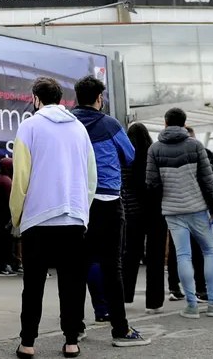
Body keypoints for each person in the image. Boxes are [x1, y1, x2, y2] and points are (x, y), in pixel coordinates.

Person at [11, 77, 95, 358]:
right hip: (73, 217)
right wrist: (83, 209)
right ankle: (71, 341)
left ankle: (28, 343)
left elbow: (20, 177)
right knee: (71, 284)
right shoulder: (79, 129)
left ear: (35, 98)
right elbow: (90, 176)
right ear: (60, 99)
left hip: (38, 219)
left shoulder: (29, 126)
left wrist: (16, 217)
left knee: (33, 285)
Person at [71, 75, 150, 345]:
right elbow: (130, 155)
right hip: (107, 201)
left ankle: (75, 328)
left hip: (77, 204)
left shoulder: (69, 123)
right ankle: (120, 329)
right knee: (111, 266)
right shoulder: (110, 124)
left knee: (76, 267)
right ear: (99, 98)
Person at [147, 108, 213, 320]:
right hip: (198, 208)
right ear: (184, 124)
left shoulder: (155, 149)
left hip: (173, 211)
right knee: (209, 252)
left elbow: (151, 183)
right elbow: (208, 181)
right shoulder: (195, 145)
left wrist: (165, 201)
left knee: (182, 255)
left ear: (165, 124)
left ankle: (192, 305)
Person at [120, 123, 163, 311]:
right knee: (155, 256)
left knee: (130, 254)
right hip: (156, 212)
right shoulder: (153, 156)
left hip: (132, 214)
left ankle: (124, 295)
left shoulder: (125, 158)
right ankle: (154, 302)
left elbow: (123, 187)